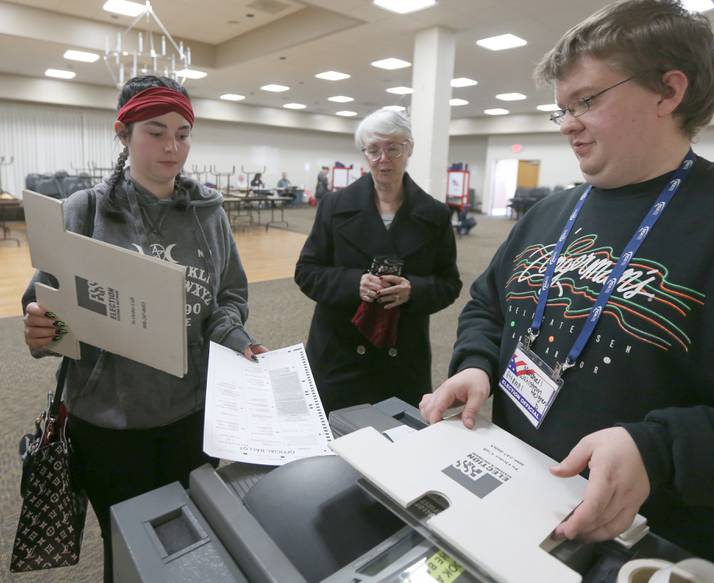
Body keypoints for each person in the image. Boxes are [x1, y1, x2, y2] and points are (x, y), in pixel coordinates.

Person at [419, 1, 714, 581]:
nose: (568, 122)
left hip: (661, 550)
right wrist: (476, 364)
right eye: (562, 108)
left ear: (668, 92)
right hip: (518, 507)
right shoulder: (549, 213)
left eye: (588, 101)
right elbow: (488, 305)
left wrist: (659, 450)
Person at [22, 75, 265, 582]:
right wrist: (42, 328)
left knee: (193, 545)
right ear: (123, 133)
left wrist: (235, 335)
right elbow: (44, 299)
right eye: (155, 132)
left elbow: (227, 297)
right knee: (129, 554)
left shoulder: (211, 215)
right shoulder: (85, 211)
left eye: (183, 132)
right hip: (109, 425)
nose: (172, 147)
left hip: (191, 417)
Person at [295, 109, 462, 413]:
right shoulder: (334, 206)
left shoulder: (435, 214)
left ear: (408, 149)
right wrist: (352, 283)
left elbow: (449, 283)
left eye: (393, 148)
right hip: (339, 354)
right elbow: (307, 272)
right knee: (335, 446)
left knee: (397, 447)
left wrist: (413, 290)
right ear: (365, 153)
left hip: (402, 358)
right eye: (374, 150)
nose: (383, 158)